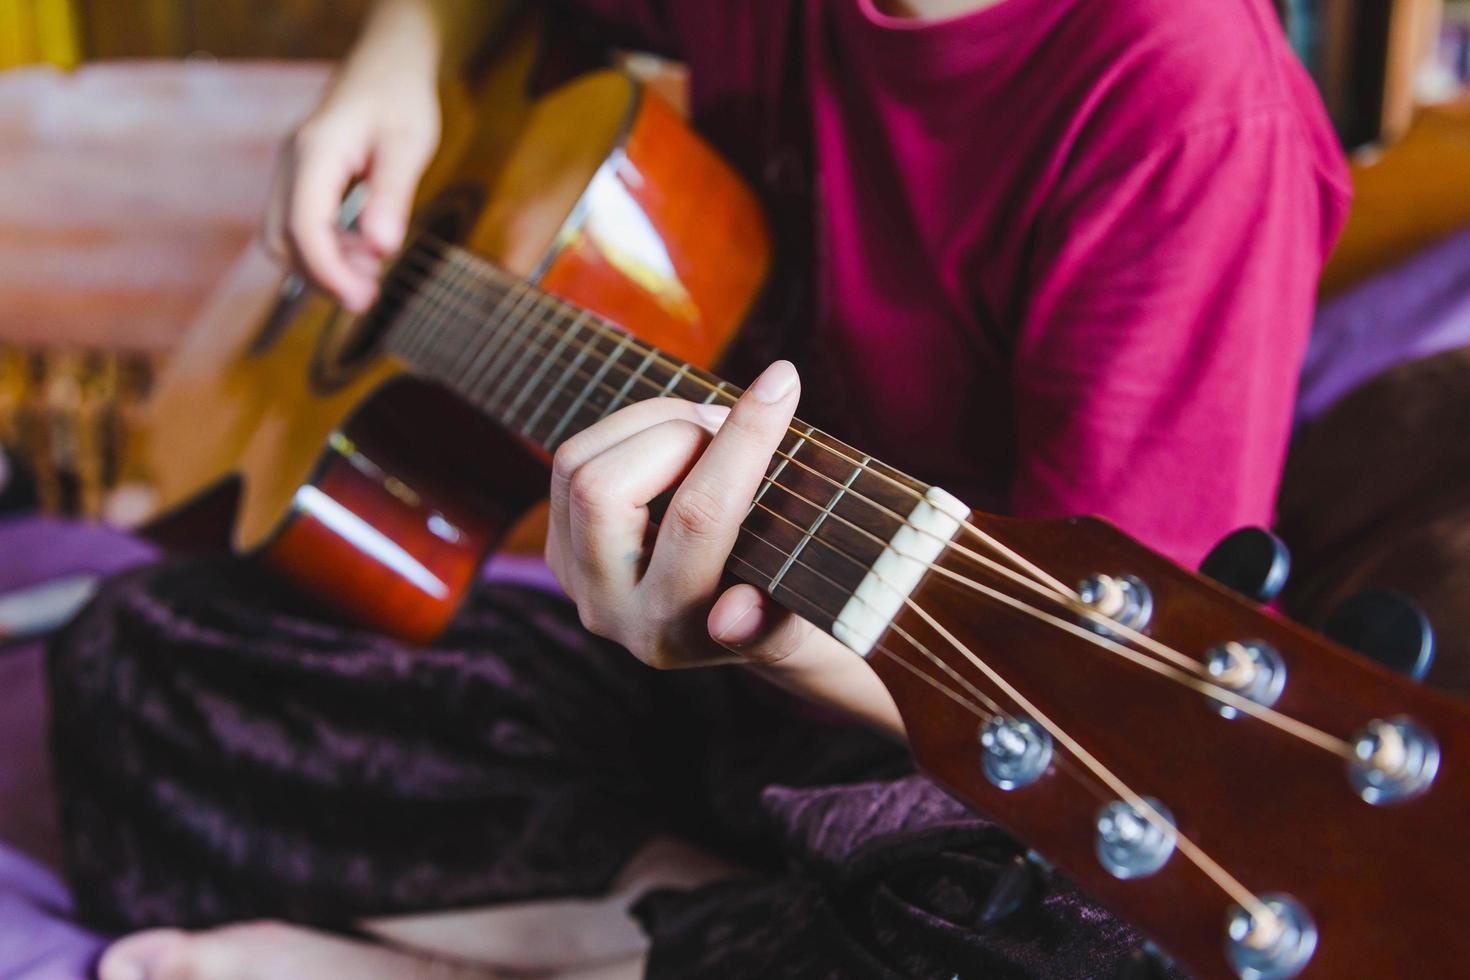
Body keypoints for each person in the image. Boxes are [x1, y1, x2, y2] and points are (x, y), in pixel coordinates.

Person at [80, 0, 1350, 977]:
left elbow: (1103, 707)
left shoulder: (1193, 107)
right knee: (139, 649)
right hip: (713, 672)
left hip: (947, 740)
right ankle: (668, 911)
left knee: (1073, 932)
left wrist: (782, 648)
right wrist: (392, 66)